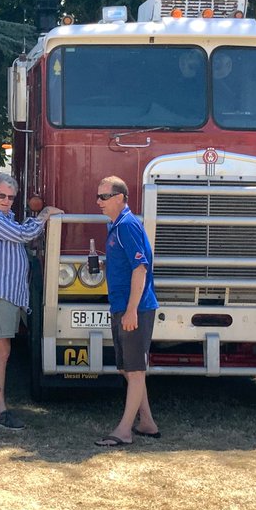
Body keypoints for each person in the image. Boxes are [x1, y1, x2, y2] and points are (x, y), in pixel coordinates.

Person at [0, 173, 61, 430]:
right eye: (2, 196)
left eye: (11, 197)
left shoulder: (4, 218)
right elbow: (23, 234)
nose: (7, 201)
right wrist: (44, 215)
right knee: (3, 351)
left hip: (7, 294)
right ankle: (0, 411)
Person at [94, 175, 161, 447]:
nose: (98, 202)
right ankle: (147, 422)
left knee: (134, 371)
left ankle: (124, 431)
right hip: (122, 306)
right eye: (98, 196)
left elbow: (140, 268)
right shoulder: (116, 226)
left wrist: (132, 310)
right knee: (127, 369)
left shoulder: (127, 226)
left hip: (135, 309)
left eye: (104, 197)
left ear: (120, 198)